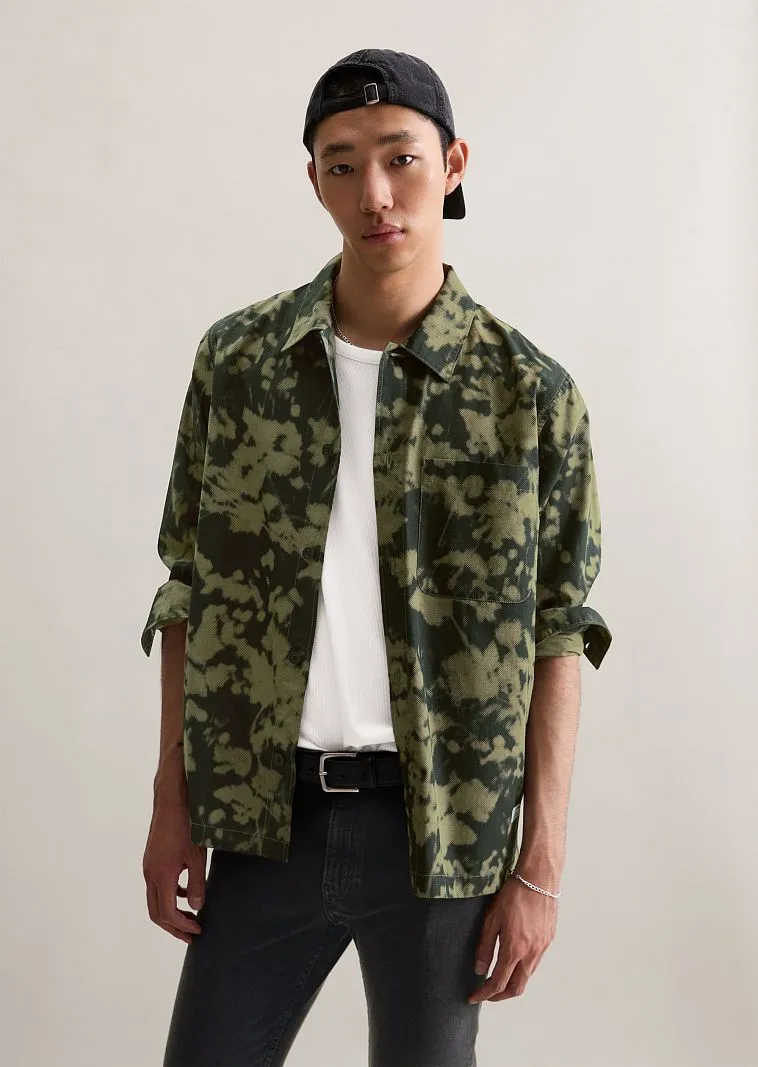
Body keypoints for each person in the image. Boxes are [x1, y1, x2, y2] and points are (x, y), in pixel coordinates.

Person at [141, 47, 612, 1067]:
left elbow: (557, 631)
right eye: (342, 164)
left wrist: (539, 869)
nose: (375, 194)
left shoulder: (530, 395)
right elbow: (187, 589)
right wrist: (172, 805)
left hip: (442, 835)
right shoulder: (239, 363)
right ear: (313, 180)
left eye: (400, 157)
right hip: (266, 820)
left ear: (453, 164)